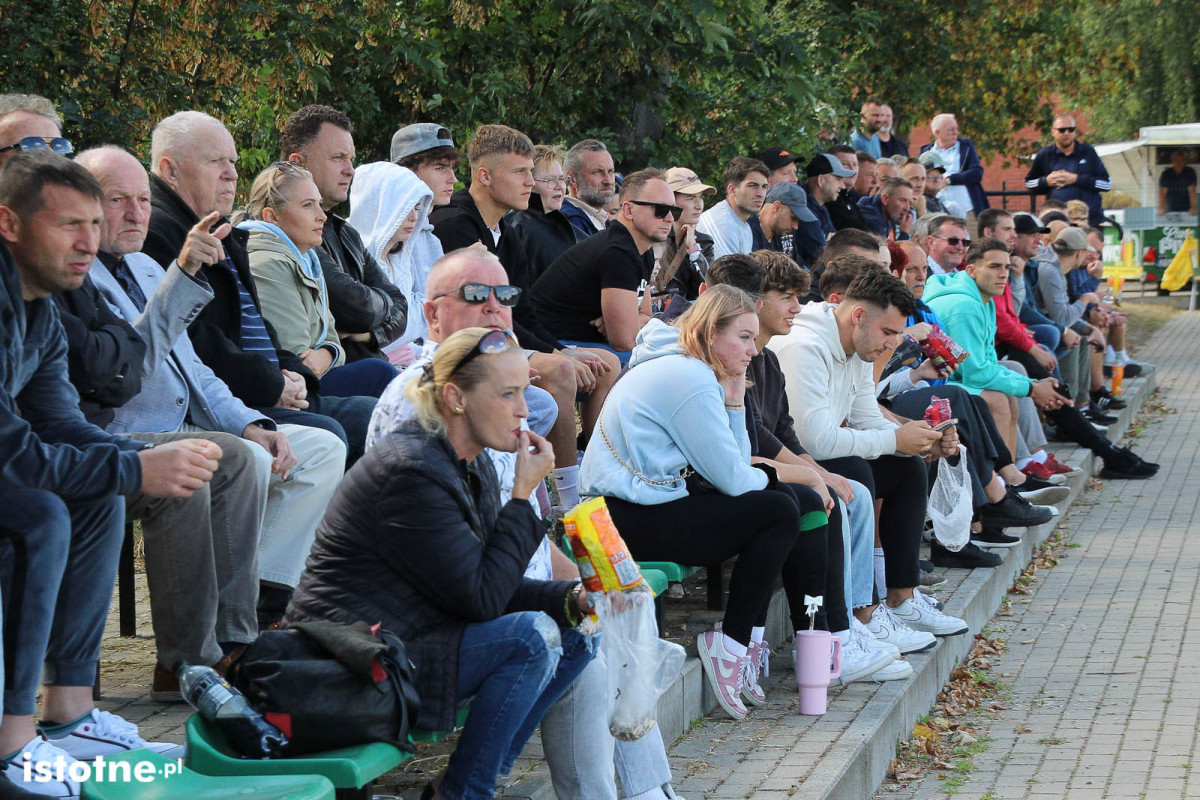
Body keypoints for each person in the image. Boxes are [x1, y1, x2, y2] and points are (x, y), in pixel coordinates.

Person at [367, 247, 682, 800]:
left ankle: (646, 788)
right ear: (432, 316)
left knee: (612, 601)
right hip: (420, 625)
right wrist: (568, 595)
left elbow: (528, 538)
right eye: (474, 295)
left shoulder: (495, 400)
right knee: (571, 634)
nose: (495, 307)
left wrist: (594, 581)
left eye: (506, 296)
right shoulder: (420, 403)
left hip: (487, 590)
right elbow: (460, 569)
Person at [285, 327, 594, 800]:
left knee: (577, 632)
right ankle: (467, 793)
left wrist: (573, 598)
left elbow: (487, 583)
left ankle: (465, 784)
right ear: (455, 398)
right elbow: (483, 599)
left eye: (524, 393)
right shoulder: (411, 471)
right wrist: (521, 496)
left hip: (406, 639)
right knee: (531, 638)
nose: (524, 411)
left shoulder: (469, 462)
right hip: (347, 662)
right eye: (508, 394)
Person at [0, 150, 218, 794]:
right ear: (8, 224)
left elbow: (61, 425)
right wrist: (137, 469)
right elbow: (12, 453)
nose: (88, 243)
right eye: (69, 224)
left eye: (94, 225)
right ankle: (12, 742)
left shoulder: (39, 306)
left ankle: (69, 714)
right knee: (37, 514)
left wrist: (131, 464)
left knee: (93, 493)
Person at [61, 146, 277, 698]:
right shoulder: (68, 274)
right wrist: (182, 274)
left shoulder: (142, 263)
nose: (137, 214)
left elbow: (196, 368)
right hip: (107, 430)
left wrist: (249, 421)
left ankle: (233, 645)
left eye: (141, 200)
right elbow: (119, 370)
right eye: (117, 201)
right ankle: (188, 663)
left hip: (167, 425)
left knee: (242, 455)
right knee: (188, 468)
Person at [581, 286, 834, 720]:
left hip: (646, 505)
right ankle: (732, 643)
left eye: (754, 339)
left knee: (793, 498)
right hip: (616, 519)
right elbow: (736, 480)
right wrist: (772, 473)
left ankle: (753, 641)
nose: (753, 350)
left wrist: (735, 402)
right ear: (709, 333)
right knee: (776, 508)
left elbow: (734, 466)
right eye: (744, 337)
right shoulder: (689, 377)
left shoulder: (696, 370)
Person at [716, 252, 912, 684]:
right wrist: (812, 473)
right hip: (713, 486)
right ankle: (829, 635)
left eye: (798, 297)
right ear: (753, 301)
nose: (797, 307)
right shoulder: (780, 351)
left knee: (849, 486)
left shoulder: (764, 360)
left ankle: (852, 626)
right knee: (815, 500)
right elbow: (750, 444)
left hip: (753, 470)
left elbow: (779, 431)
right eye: (785, 296)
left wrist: (814, 471)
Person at [142, 110, 375, 465]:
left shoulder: (222, 231)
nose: (231, 173)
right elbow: (195, 340)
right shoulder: (158, 234)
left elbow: (258, 327)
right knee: (339, 431)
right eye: (215, 161)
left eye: (232, 161)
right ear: (169, 169)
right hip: (213, 403)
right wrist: (276, 383)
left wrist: (294, 376)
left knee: (380, 408)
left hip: (264, 388)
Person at [770, 266, 971, 651]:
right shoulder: (805, 346)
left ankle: (901, 598)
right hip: (794, 460)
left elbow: (866, 417)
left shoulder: (861, 345)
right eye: (889, 332)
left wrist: (920, 438)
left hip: (817, 455)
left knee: (906, 465)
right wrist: (895, 437)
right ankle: (861, 615)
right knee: (856, 470)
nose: (893, 344)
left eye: (898, 333)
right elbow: (816, 441)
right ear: (858, 316)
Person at [430, 125, 617, 500]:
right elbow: (475, 319)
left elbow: (524, 312)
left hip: (504, 337)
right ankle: (568, 497)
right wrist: (557, 357)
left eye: (532, 172)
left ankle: (598, 475)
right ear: (484, 175)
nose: (531, 182)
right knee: (562, 372)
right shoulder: (453, 225)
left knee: (606, 361)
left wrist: (561, 349)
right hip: (466, 346)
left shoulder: (505, 233)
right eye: (520, 172)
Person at [924, 238, 1159, 480]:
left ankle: (1015, 475)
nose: (1003, 274)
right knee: (999, 397)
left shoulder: (982, 299)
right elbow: (976, 373)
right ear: (971, 270)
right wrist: (1032, 388)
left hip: (956, 376)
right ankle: (1000, 486)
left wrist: (1032, 387)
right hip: (931, 385)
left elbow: (988, 362)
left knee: (1013, 390)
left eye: (1006, 267)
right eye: (994, 267)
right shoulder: (964, 305)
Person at [237, 162, 397, 403]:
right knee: (379, 375)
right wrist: (328, 352)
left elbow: (332, 340)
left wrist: (328, 353)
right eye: (307, 205)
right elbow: (297, 358)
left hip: (317, 377)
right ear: (272, 217)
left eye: (319, 204)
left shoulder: (306, 258)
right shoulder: (266, 261)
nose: (321, 215)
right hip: (293, 391)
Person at [281, 105, 410, 365]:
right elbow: (355, 307)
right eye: (337, 158)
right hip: (327, 379)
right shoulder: (283, 227)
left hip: (371, 367)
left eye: (350, 159)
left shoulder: (347, 233)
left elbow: (401, 307)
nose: (350, 169)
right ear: (297, 163)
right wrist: (376, 310)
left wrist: (368, 335)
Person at [533, 169, 676, 363]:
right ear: (628, 210)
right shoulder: (618, 251)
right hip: (554, 344)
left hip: (586, 342)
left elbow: (646, 315)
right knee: (657, 362)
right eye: (660, 210)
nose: (669, 218)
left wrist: (627, 320)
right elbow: (624, 342)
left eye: (674, 211)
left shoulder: (644, 251)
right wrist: (626, 323)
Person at [345, 161, 435, 363]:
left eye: (417, 208)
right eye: (404, 208)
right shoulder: (351, 261)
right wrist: (429, 308)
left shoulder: (398, 259)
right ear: (380, 207)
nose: (414, 217)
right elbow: (387, 335)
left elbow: (401, 331)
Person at [390, 121, 459, 277]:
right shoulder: (389, 235)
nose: (453, 179)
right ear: (406, 172)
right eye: (440, 168)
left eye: (452, 168)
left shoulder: (432, 240)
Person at [508, 144, 583, 283]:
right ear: (529, 182)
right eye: (549, 180)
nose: (560, 187)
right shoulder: (520, 227)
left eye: (561, 179)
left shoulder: (566, 225)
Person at [1024, 115, 1111, 227]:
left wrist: (1076, 179)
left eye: (1071, 130)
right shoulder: (1045, 155)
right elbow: (1029, 183)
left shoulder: (1088, 153)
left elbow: (1106, 184)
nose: (1066, 133)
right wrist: (1046, 181)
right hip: (1057, 222)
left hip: (1090, 221)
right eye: (1061, 130)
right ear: (1053, 132)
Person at [648, 166, 717, 302]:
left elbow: (711, 290)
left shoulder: (703, 242)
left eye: (701, 197)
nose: (699, 205)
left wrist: (694, 251)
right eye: (690, 198)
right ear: (670, 199)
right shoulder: (652, 237)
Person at [696, 156, 770, 258]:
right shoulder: (722, 224)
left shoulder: (744, 225)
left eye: (764, 187)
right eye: (752, 185)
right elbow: (727, 272)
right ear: (732, 189)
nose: (760, 194)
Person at [919, 114, 988, 217]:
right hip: (937, 212)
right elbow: (920, 177)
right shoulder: (926, 152)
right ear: (937, 133)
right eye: (950, 129)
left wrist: (949, 180)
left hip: (967, 210)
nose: (955, 132)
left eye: (956, 129)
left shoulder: (966, 147)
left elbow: (977, 173)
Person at [562, 139, 618, 237]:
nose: (608, 181)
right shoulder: (569, 222)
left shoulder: (603, 220)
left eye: (610, 171)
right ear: (572, 179)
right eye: (597, 172)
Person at [758, 182, 810, 264]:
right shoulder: (747, 233)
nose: (795, 227)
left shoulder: (785, 234)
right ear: (777, 207)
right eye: (793, 218)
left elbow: (798, 270)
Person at [824, 146, 872, 232]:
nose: (852, 169)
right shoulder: (829, 199)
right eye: (845, 164)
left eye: (855, 164)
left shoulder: (849, 200)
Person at [1158, 151, 1197, 215]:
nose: (1179, 162)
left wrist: (1194, 207)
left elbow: (1192, 191)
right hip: (1170, 208)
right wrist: (1161, 208)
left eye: (1181, 160)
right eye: (1176, 160)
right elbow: (1162, 193)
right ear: (1172, 162)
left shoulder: (1190, 172)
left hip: (1186, 208)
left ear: (1184, 162)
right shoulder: (1166, 174)